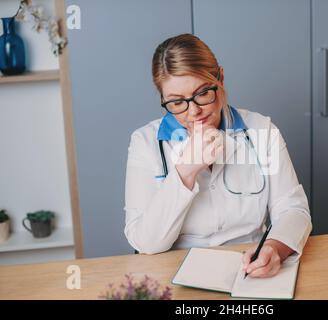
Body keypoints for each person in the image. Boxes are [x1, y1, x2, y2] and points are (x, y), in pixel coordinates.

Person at [124, 34, 312, 278]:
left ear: (220, 78)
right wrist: (185, 171)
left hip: (249, 268)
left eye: (202, 93)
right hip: (175, 272)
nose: (194, 112)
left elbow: (293, 209)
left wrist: (274, 248)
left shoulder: (261, 130)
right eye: (177, 102)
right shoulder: (145, 143)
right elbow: (145, 242)